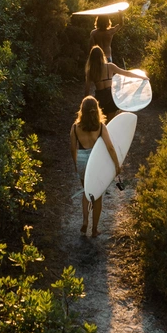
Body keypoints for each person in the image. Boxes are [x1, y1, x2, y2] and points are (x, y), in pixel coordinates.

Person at [70, 96, 120, 237]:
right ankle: (94, 229)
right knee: (97, 196)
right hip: (96, 161)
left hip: (82, 160)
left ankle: (85, 220)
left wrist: (76, 163)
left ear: (82, 110)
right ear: (96, 109)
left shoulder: (75, 128)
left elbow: (72, 148)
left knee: (87, 191)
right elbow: (110, 147)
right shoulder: (101, 127)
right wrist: (116, 164)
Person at [84, 45, 145, 117]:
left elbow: (87, 90)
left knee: (102, 120)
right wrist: (141, 77)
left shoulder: (90, 71)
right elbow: (126, 73)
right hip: (111, 97)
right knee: (111, 120)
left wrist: (86, 104)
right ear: (102, 55)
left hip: (100, 98)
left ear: (91, 58)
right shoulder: (110, 66)